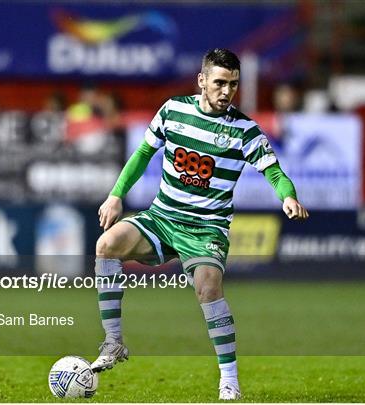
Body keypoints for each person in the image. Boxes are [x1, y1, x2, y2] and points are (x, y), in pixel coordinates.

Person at [91, 49, 309, 400]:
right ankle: (114, 342)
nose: (226, 91)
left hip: (207, 227)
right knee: (106, 245)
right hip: (163, 217)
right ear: (202, 81)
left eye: (233, 85)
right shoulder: (173, 110)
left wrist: (287, 196)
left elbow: (274, 171)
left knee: (208, 286)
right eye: (220, 83)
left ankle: (229, 379)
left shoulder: (245, 131)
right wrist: (116, 195)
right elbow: (143, 154)